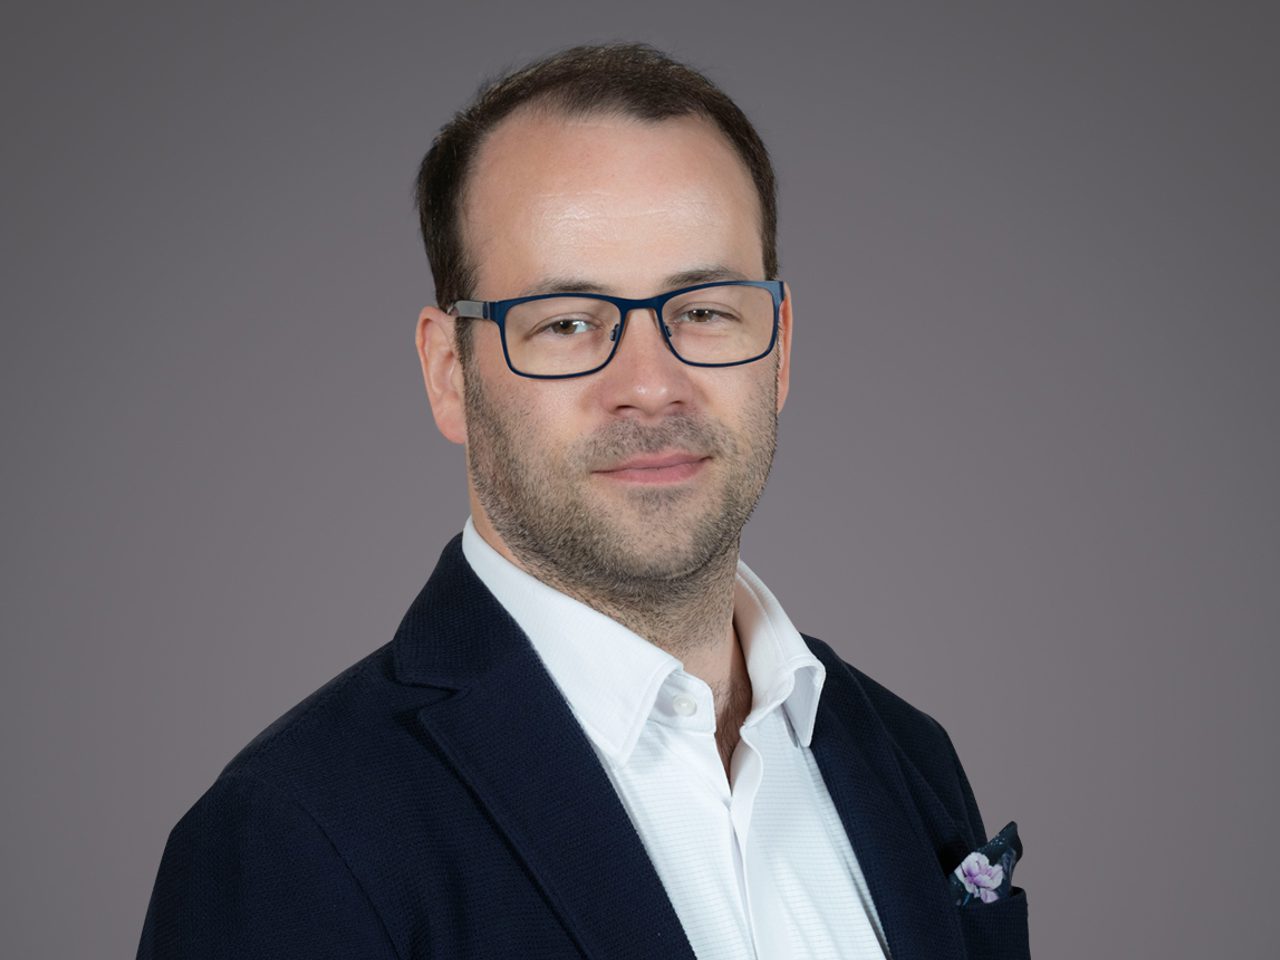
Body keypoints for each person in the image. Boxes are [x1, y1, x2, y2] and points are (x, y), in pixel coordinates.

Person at [136, 43, 1028, 960]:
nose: (651, 384)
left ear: (782, 346)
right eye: (567, 323)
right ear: (451, 375)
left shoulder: (906, 757)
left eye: (706, 310)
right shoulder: (293, 836)